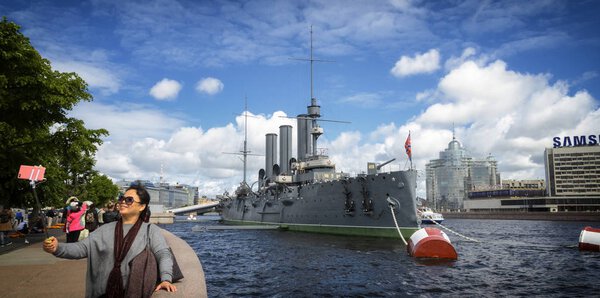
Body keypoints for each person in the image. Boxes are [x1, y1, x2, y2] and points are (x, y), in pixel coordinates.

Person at [43, 185, 177, 297]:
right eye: (121, 198)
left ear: (141, 206)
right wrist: (57, 248)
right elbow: (81, 248)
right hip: (103, 294)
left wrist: (166, 279)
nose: (123, 202)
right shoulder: (105, 230)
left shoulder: (150, 230)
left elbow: (163, 254)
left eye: (129, 200)